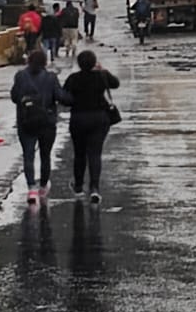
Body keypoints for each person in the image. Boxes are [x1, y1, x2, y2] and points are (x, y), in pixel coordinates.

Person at [10, 47, 68, 202]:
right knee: (45, 155)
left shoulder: (20, 76)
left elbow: (14, 97)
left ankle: (31, 189)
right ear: (45, 62)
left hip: (26, 122)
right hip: (47, 122)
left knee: (28, 155)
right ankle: (43, 186)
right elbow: (60, 96)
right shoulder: (51, 77)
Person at [63, 49, 120, 204]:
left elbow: (64, 97)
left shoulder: (74, 78)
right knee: (95, 154)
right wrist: (102, 69)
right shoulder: (102, 76)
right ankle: (94, 188)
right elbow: (115, 83)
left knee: (79, 153)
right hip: (99, 118)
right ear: (94, 62)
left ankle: (79, 186)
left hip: (79, 118)